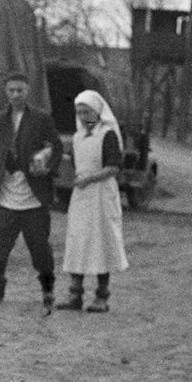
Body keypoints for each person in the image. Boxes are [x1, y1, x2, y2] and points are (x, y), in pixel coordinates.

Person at [0, 73, 63, 308]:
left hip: (33, 197)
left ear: (28, 91)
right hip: (6, 195)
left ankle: (47, 289)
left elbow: (56, 147)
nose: (15, 95)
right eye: (11, 90)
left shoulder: (41, 119)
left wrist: (46, 166)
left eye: (20, 90)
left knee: (40, 248)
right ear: (6, 92)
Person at [57, 90, 129, 312]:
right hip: (82, 195)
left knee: (101, 241)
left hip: (101, 194)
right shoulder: (78, 138)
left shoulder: (107, 135)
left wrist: (89, 178)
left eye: (87, 112)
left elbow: (113, 167)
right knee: (78, 241)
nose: (83, 117)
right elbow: (76, 163)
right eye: (79, 112)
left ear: (97, 112)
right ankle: (75, 294)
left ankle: (102, 296)